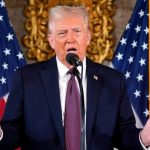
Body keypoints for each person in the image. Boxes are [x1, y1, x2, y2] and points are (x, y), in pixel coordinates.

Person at [0, 4, 150, 150]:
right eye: (62, 33)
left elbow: (123, 132)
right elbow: (12, 131)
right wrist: (1, 135)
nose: (70, 39)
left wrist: (144, 137)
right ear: (51, 40)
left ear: (88, 37)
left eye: (77, 31)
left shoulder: (113, 80)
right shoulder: (27, 78)